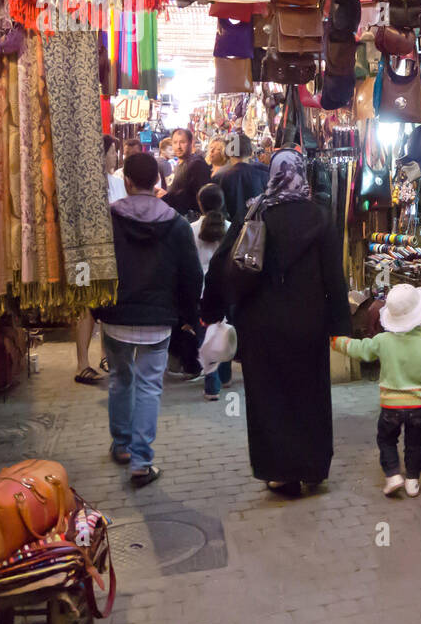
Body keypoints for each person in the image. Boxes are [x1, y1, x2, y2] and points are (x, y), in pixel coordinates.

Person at [202, 149, 350, 497]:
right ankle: (313, 467)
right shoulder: (320, 217)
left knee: (270, 397)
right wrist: (340, 326)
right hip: (308, 324)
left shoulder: (255, 211)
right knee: (310, 394)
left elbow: (224, 263)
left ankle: (281, 473)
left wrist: (211, 311)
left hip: (262, 323)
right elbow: (334, 278)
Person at [94, 152, 203, 487]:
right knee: (149, 387)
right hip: (158, 320)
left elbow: (95, 267)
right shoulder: (177, 224)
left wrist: (96, 309)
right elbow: (192, 275)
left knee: (120, 379)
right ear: (157, 181)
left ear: (126, 181)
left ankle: (122, 445)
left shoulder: (108, 220)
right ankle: (142, 461)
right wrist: (187, 316)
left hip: (116, 315)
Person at [331, 284, 421, 499]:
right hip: (419, 408)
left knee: (387, 440)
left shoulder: (383, 341)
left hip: (391, 407)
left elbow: (361, 349)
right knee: (415, 445)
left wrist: (339, 342)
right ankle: (412, 481)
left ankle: (393, 476)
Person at [75, 135, 130, 386]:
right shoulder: (84, 184)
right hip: (85, 253)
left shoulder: (117, 183)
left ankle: (104, 355)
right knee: (85, 305)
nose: (113, 156)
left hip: (113, 251)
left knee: (107, 301)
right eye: (111, 152)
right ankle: (82, 363)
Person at [188, 183, 232, 400]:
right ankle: (225, 376)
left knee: (205, 337)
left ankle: (211, 385)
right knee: (224, 330)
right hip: (226, 289)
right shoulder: (232, 227)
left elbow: (189, 264)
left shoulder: (191, 229)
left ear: (200, 204)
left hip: (202, 291)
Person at [212, 132, 269, 223]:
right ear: (251, 153)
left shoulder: (219, 177)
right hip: (256, 230)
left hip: (230, 230)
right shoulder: (263, 174)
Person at [160, 128, 213, 217]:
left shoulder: (196, 164)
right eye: (175, 142)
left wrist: (167, 196)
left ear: (191, 143)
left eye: (182, 142)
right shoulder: (179, 163)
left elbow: (197, 198)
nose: (178, 146)